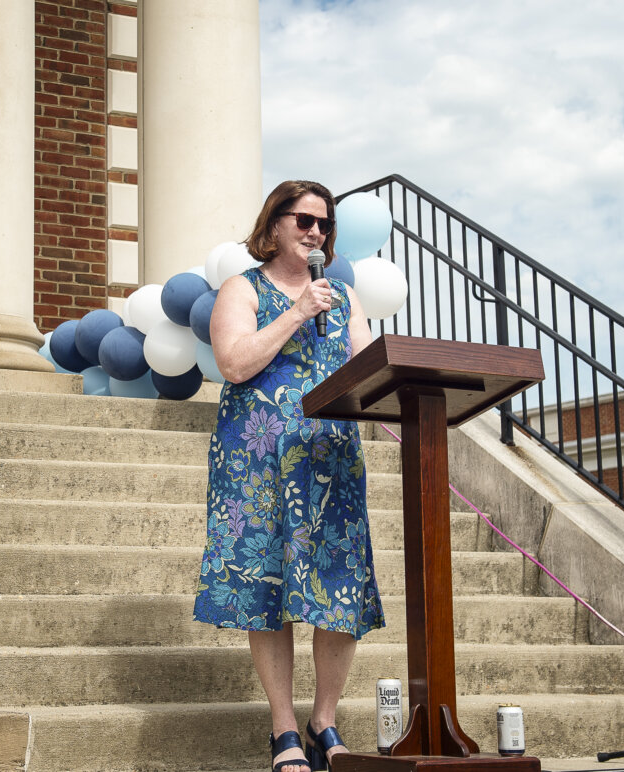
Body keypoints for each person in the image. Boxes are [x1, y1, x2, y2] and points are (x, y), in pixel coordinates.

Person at [193, 180, 384, 772]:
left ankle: (324, 720)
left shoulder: (343, 296)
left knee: (337, 588)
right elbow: (233, 361)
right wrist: (298, 313)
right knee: (267, 588)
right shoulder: (242, 288)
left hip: (329, 458)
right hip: (258, 461)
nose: (315, 232)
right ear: (273, 225)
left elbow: (370, 371)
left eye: (324, 224)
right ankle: (283, 730)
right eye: (303, 220)